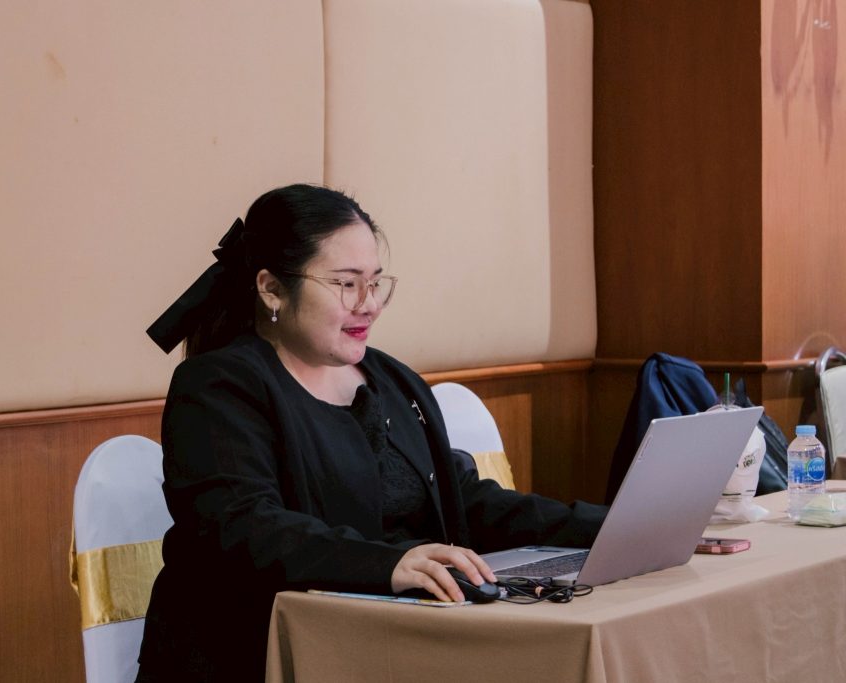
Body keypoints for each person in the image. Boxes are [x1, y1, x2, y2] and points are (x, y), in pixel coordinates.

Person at [136, 184, 606, 681]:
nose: (370, 305)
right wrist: (388, 565)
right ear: (271, 288)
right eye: (346, 284)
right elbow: (244, 528)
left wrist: (605, 527)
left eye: (375, 283)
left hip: (396, 644)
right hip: (258, 656)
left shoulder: (392, 380)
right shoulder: (217, 386)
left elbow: (462, 500)